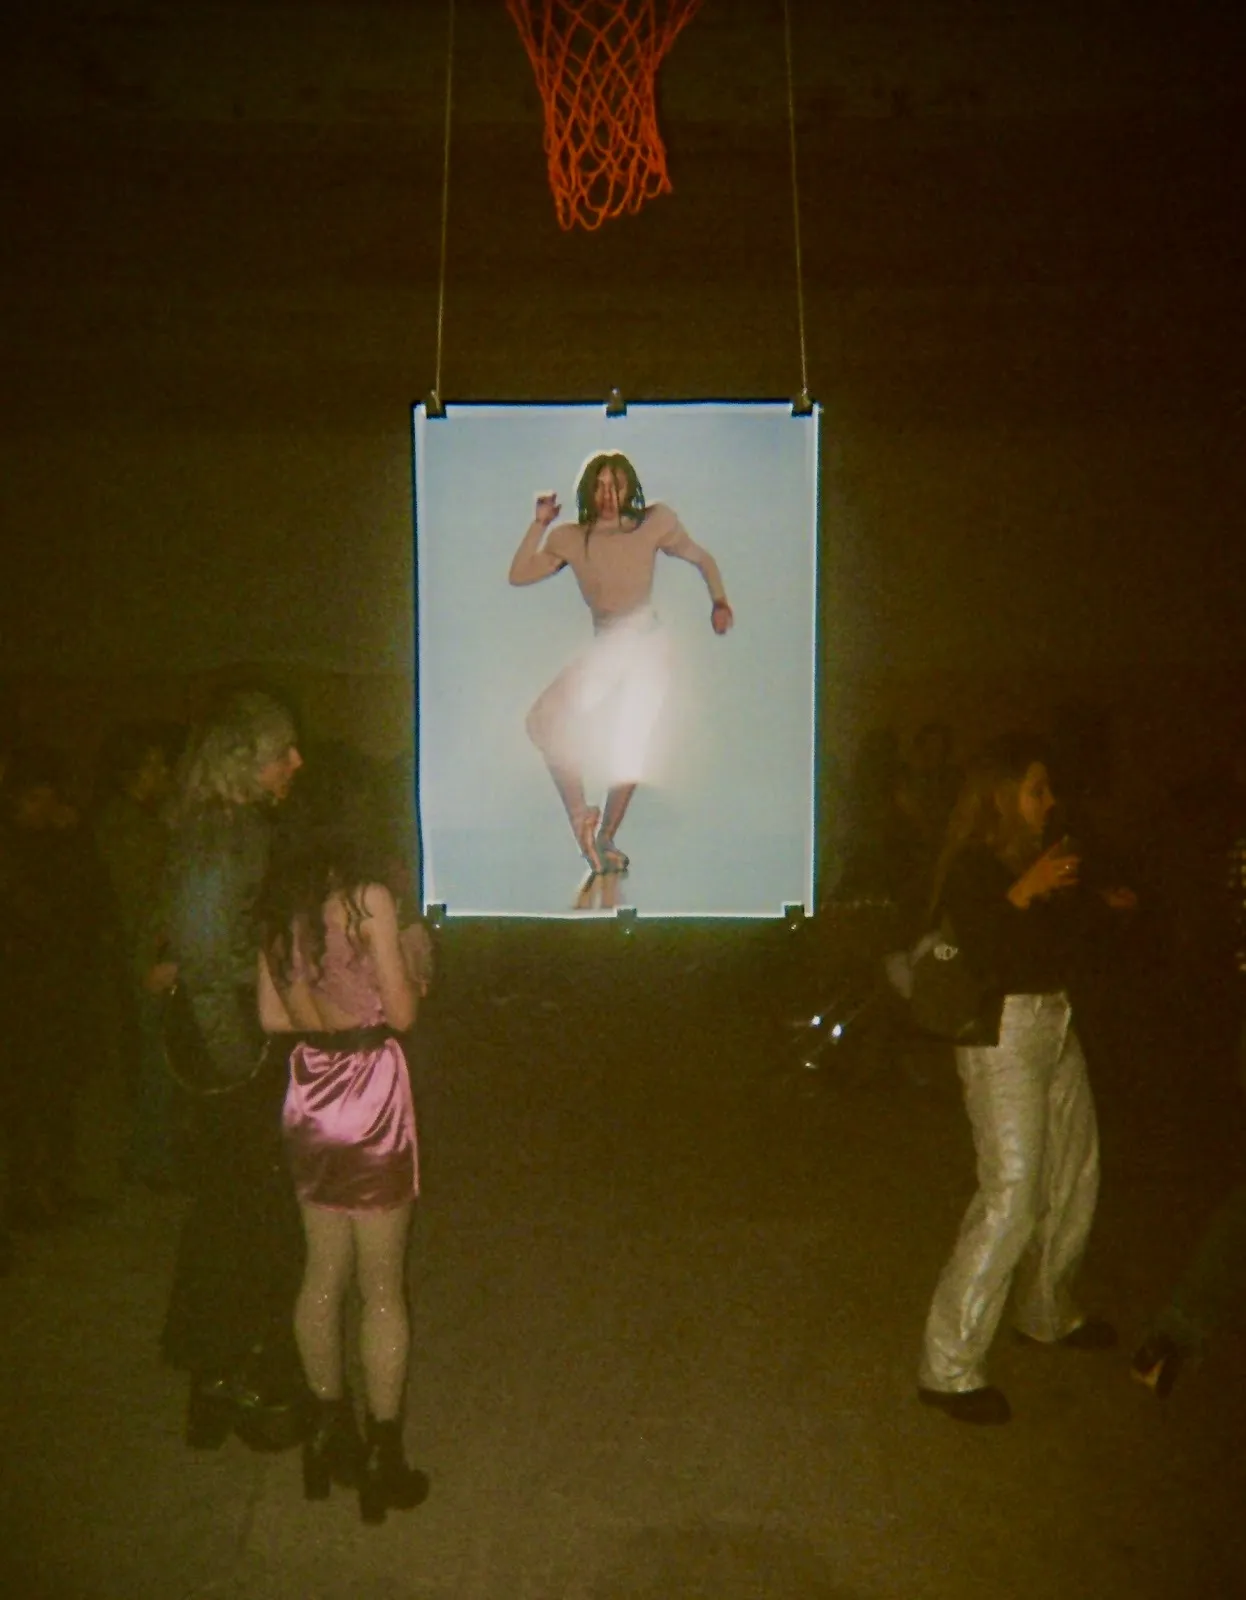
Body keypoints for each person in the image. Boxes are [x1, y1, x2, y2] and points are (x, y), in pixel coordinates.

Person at [916, 735, 1131, 1425]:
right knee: (1011, 1195)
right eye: (1037, 790)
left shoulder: (1035, 858)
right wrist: (1024, 892)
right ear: (1002, 796)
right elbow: (990, 953)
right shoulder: (974, 865)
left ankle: (1045, 1309)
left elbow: (1058, 947)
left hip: (1054, 1022)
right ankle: (947, 1367)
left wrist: (1097, 906)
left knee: (1074, 1171)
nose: (1049, 800)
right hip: (1001, 1035)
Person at [256, 827, 431, 1523]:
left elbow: (271, 1017)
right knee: (381, 1284)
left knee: (321, 1271)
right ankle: (385, 1454)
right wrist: (415, 964)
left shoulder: (279, 907)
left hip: (309, 1086)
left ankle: (329, 1433)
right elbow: (404, 1012)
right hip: (369, 1090)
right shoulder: (367, 901)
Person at [157, 689, 307, 1450]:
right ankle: (246, 1374)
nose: (297, 762)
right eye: (283, 751)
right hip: (236, 1046)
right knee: (256, 1213)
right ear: (245, 763)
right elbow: (208, 963)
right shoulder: (230, 835)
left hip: (226, 1041)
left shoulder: (212, 828)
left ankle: (214, 1379)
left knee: (227, 1209)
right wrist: (242, 1063)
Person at [509, 451, 733, 879]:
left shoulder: (652, 523)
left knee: (630, 746)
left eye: (616, 486)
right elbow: (519, 574)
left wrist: (719, 601)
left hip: (646, 642)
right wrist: (539, 523)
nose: (608, 495)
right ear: (588, 491)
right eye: (600, 486)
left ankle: (606, 837)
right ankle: (581, 817)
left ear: (629, 488)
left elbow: (702, 558)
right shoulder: (572, 538)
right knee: (544, 720)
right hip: (609, 644)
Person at [0, 743, 113, 1232]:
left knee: (56, 1095)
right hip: (23, 997)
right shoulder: (14, 850)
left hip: (58, 994)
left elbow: (91, 903)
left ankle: (53, 1190)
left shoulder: (57, 842)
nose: (46, 807)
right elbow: (39, 916)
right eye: (36, 798)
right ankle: (30, 1197)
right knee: (27, 1101)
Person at [93, 721, 183, 1189]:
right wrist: (155, 959)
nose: (164, 773)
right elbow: (143, 906)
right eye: (156, 766)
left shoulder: (128, 823)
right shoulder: (132, 830)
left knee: (150, 1062)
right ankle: (154, 1161)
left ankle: (146, 1155)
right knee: (156, 1063)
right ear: (133, 772)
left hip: (135, 956)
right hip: (144, 959)